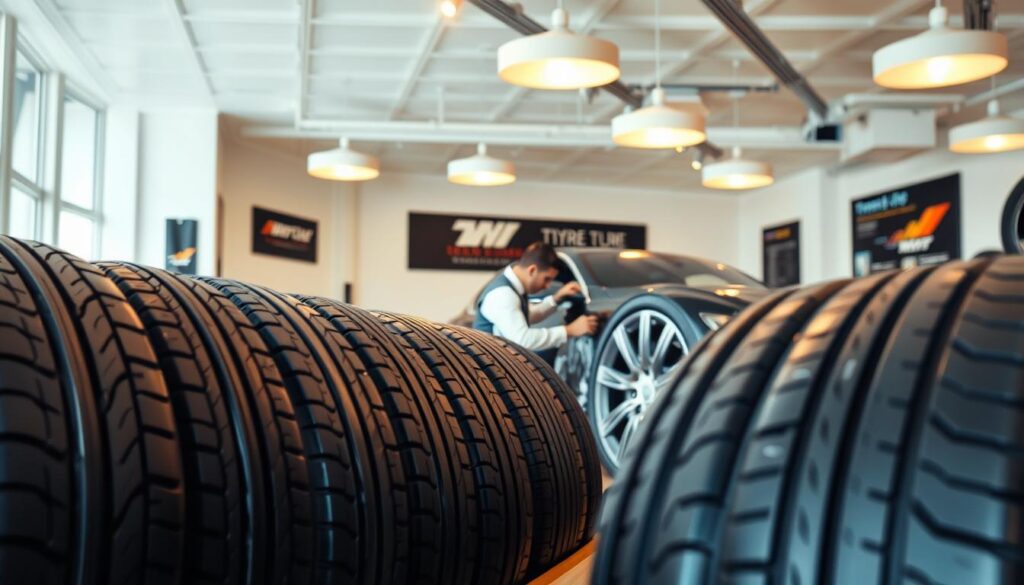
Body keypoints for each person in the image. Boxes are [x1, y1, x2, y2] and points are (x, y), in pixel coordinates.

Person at [473, 242, 599, 352]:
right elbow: (523, 339)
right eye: (546, 279)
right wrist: (569, 330)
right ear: (532, 270)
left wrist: (556, 299)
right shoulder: (503, 294)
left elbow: (527, 315)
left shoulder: (511, 290)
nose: (547, 286)